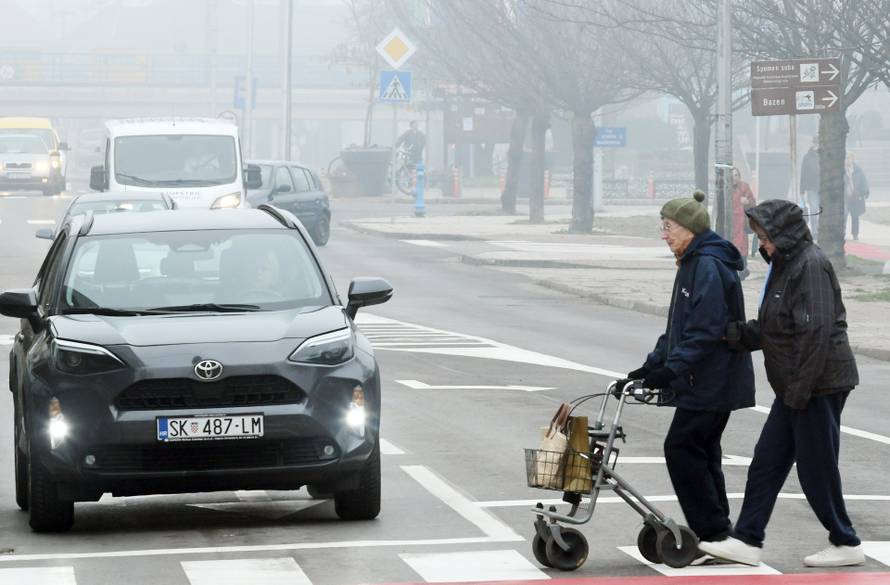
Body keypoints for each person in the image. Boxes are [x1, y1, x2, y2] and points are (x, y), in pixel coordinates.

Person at [700, 199, 863, 568]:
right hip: (796, 386)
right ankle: (747, 539)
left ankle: (846, 540)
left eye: (766, 237)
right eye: (759, 237)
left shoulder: (810, 265)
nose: (763, 245)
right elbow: (775, 326)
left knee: (815, 468)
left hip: (817, 384)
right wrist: (731, 335)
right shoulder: (785, 265)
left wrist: (799, 392)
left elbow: (815, 332)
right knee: (767, 462)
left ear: (784, 234)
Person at [618, 190, 755, 553]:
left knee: (681, 447)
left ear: (690, 228)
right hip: (706, 379)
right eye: (662, 226)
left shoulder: (706, 265)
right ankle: (718, 530)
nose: (664, 234)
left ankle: (711, 533)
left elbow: (705, 330)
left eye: (669, 227)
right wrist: (650, 367)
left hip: (713, 379)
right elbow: (678, 327)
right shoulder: (692, 262)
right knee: (701, 450)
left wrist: (672, 369)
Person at [731, 167, 757, 278]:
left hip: (741, 222)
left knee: (742, 246)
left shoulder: (744, 187)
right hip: (730, 223)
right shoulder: (725, 188)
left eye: (736, 175)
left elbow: (753, 203)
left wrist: (747, 202)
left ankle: (742, 269)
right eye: (732, 175)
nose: (734, 178)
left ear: (739, 176)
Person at [844, 153, 869, 241]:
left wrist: (865, 192)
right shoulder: (841, 170)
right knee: (844, 214)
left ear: (853, 159)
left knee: (855, 215)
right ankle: (842, 232)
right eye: (846, 158)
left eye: (849, 158)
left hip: (855, 196)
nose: (848, 160)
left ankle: (855, 233)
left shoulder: (858, 170)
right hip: (844, 197)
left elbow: (863, 181)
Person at [800, 136, 820, 239]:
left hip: (824, 188)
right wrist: (802, 190)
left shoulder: (826, 156)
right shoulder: (807, 157)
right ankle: (815, 231)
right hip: (811, 187)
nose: (816, 145)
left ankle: (821, 230)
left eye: (818, 143)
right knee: (814, 209)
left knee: (823, 210)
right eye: (815, 143)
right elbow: (803, 174)